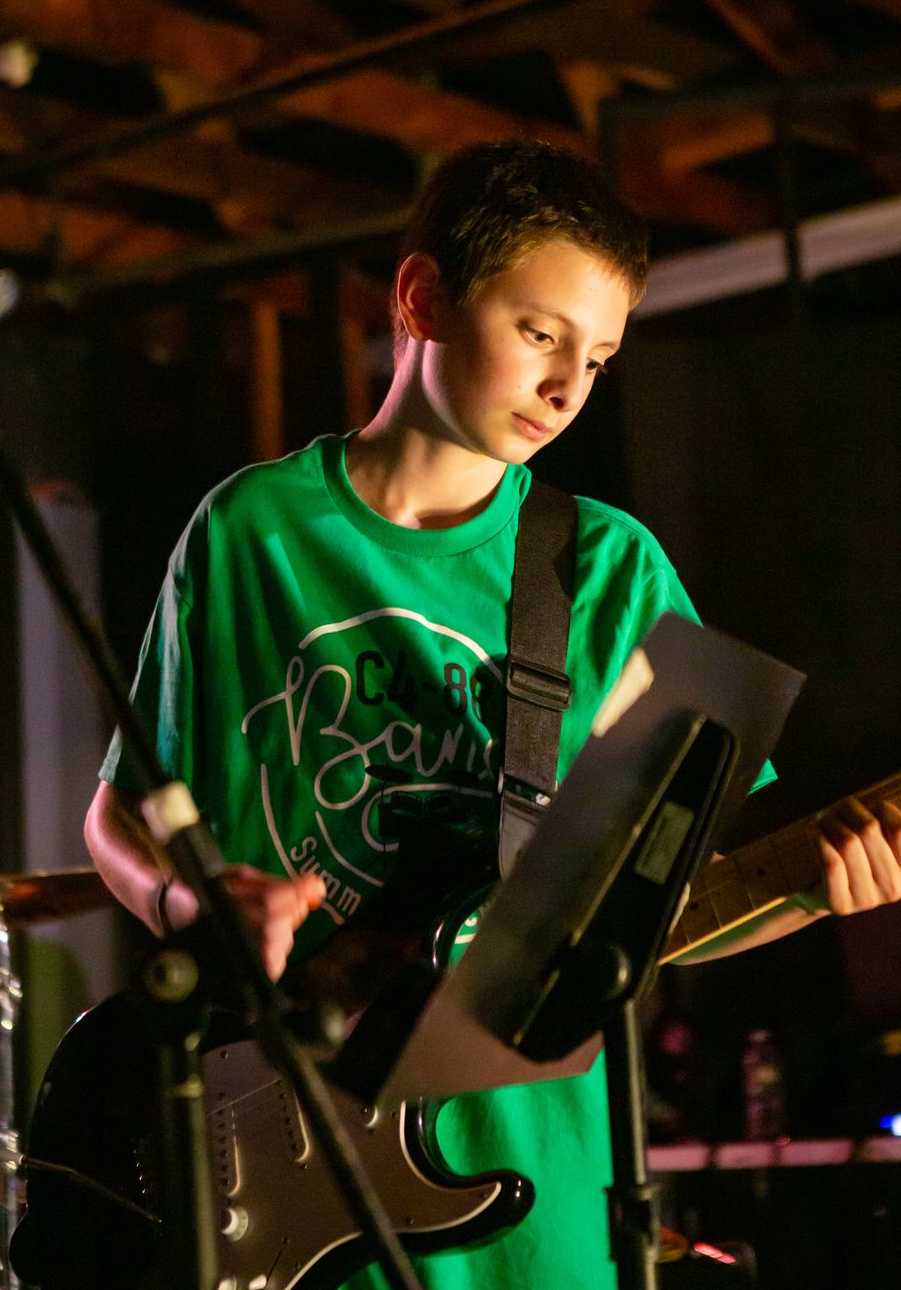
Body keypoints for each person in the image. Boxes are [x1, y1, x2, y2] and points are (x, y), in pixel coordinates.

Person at [86, 141, 901, 1290]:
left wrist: (811, 891)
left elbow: (674, 898)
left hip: (536, 1202)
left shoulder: (610, 569)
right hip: (295, 1178)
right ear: (421, 297)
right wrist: (191, 901)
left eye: (597, 358)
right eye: (539, 333)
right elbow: (119, 816)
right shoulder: (252, 530)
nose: (567, 388)